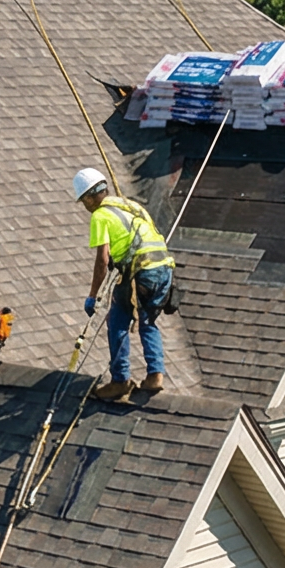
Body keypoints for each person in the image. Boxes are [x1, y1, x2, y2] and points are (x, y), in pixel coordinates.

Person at [74, 167, 173, 401]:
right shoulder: (130, 205)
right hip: (164, 269)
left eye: (84, 201)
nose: (86, 207)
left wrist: (92, 295)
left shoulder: (100, 215)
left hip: (141, 271)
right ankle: (155, 376)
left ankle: (120, 381)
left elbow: (103, 259)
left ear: (89, 197)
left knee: (117, 319)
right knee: (147, 320)